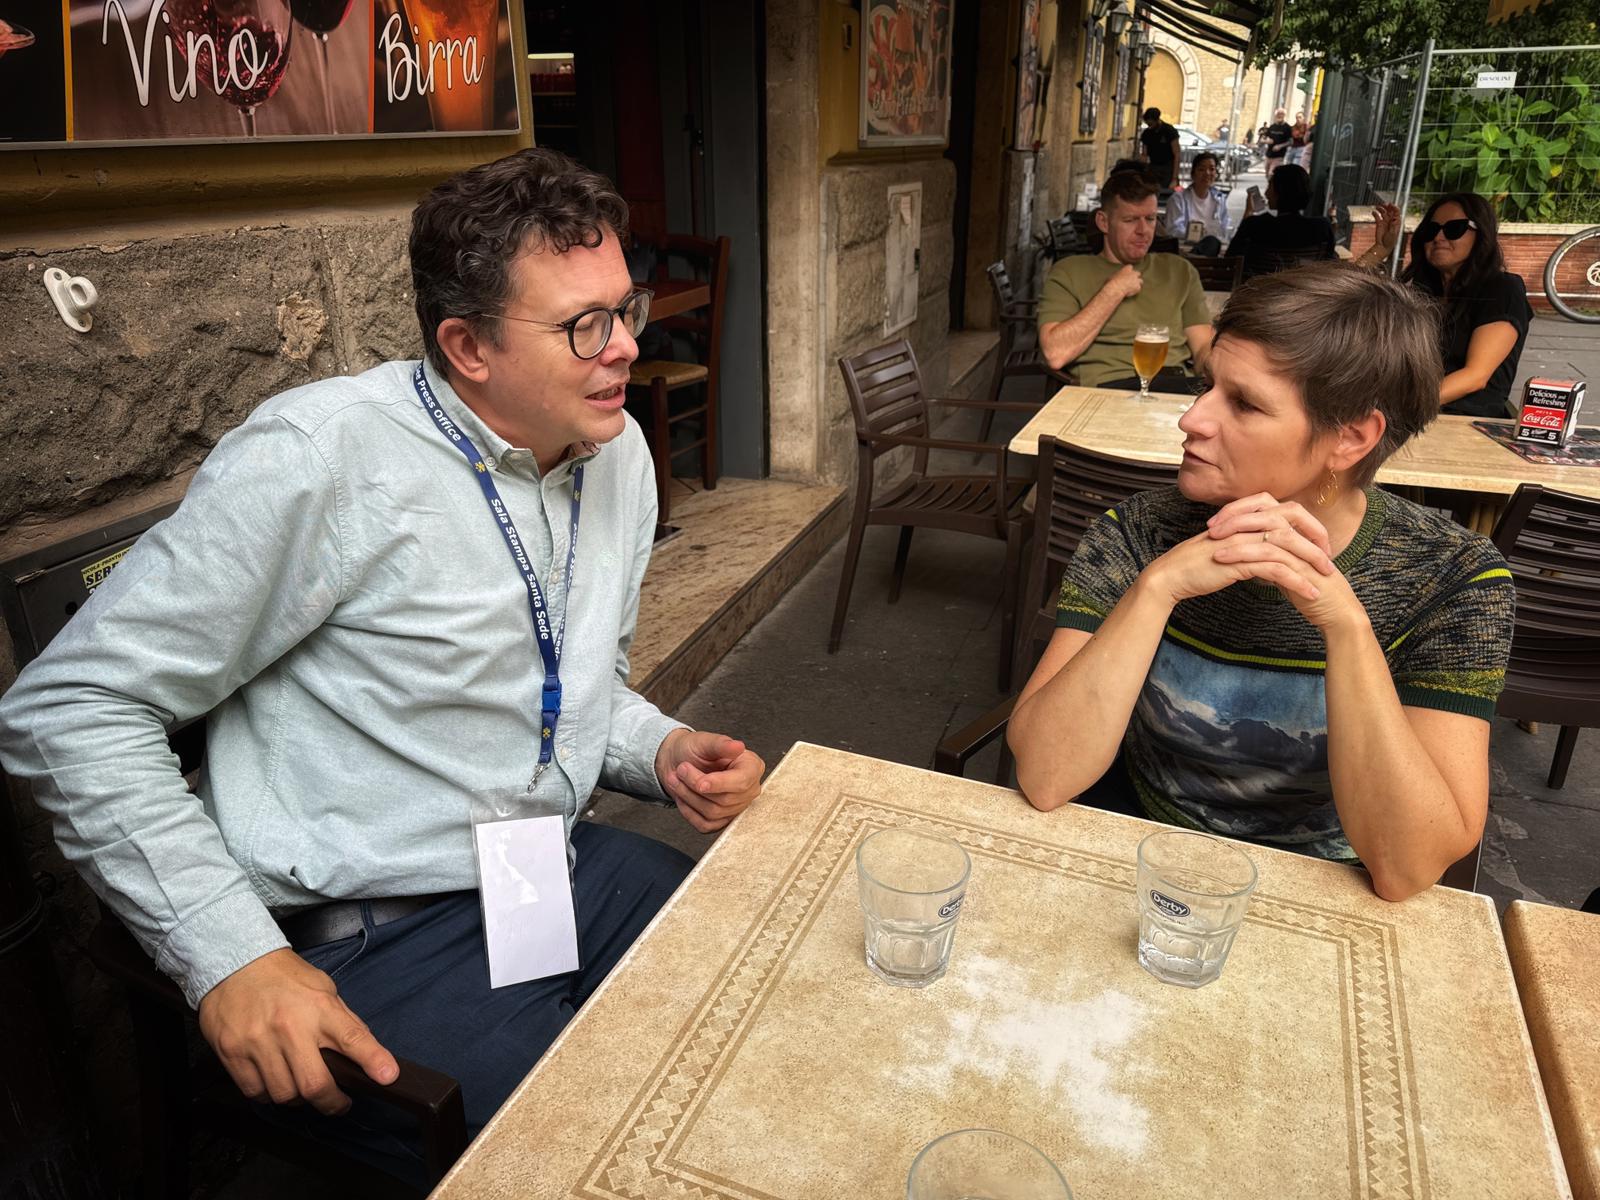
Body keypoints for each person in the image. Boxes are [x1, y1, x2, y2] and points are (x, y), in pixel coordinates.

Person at [0, 148, 767, 1180]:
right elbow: (70, 708)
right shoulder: (322, 460)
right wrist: (230, 953)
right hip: (367, 936)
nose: (628, 345)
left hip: (535, 866)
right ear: (468, 346)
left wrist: (658, 745)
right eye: (585, 324)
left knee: (759, 991)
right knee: (611, 1159)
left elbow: (566, 683)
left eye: (626, 306)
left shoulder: (615, 454)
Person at [1009, 266, 1514, 902]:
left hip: (1322, 893)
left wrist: (1346, 627)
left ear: (1351, 438)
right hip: (1135, 863)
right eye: (1206, 386)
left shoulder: (1454, 581)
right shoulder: (1136, 533)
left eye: (1243, 403)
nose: (1192, 420)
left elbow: (1407, 867)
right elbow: (1047, 775)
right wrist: (1157, 589)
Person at [1038, 168, 1213, 392]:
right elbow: (1055, 353)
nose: (1143, 230)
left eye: (1150, 219)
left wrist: (1219, 366)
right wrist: (1113, 291)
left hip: (1175, 386)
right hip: (1108, 388)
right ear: (1103, 222)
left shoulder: (1179, 270)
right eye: (1130, 220)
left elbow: (1202, 347)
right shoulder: (1069, 272)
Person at [1368, 192, 1532, 416]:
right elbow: (1335, 303)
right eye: (1431, 230)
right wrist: (1380, 250)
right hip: (1413, 414)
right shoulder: (1421, 290)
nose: (1439, 237)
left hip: (1463, 422)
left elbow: (1475, 376)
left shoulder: (1502, 289)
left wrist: (1395, 409)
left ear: (1481, 234)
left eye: (1455, 228)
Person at [1225, 163, 1335, 278]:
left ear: (1280, 191)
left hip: (1260, 292)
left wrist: (1248, 212)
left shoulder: (1255, 226)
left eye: (1270, 186)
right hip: (1303, 292)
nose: (1266, 193)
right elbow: (1329, 264)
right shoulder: (1322, 227)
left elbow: (1230, 260)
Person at [1163, 150, 1231, 256]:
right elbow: (1172, 230)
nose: (1207, 173)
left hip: (1214, 250)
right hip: (1184, 251)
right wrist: (1195, 234)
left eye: (1212, 169)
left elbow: (1225, 228)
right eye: (1201, 169)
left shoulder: (1220, 199)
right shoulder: (1178, 199)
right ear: (1193, 173)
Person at [1139, 106, 1181, 191]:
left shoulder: (1169, 131)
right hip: (1153, 167)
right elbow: (1144, 154)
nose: (1149, 126)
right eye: (1147, 124)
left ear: (1157, 120)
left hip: (1168, 169)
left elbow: (1177, 154)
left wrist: (1174, 178)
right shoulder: (1147, 133)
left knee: (1167, 194)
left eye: (1151, 124)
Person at [1264, 107, 1293, 175]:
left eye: (1282, 114)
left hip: (1279, 156)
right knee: (1267, 175)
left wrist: (1280, 146)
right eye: (1278, 114)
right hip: (1269, 155)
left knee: (1272, 173)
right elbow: (1262, 139)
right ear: (1275, 115)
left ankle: (1273, 185)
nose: (1280, 115)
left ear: (1284, 115)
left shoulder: (1287, 127)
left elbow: (1291, 142)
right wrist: (1267, 141)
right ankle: (1271, 185)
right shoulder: (1272, 127)